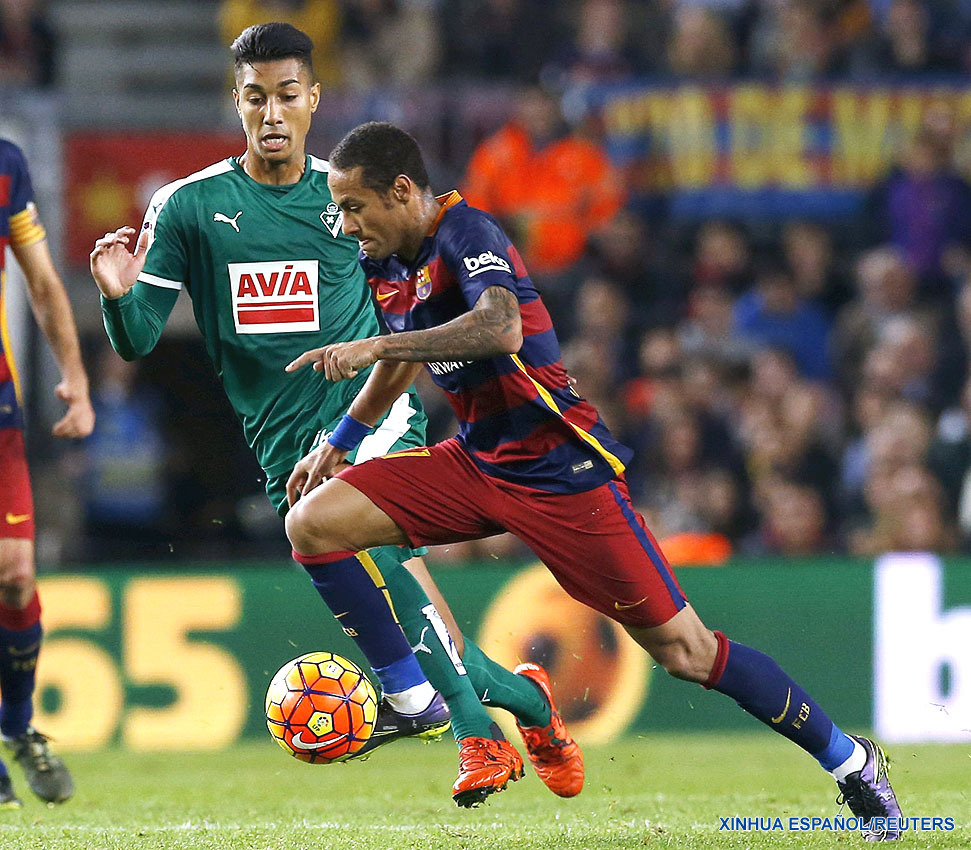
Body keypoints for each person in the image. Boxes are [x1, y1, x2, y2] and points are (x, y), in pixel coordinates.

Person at [284, 121, 905, 841]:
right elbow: (404, 352)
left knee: (686, 652)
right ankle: (411, 691)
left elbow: (500, 326)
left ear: (400, 191)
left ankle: (850, 761)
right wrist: (344, 439)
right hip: (476, 459)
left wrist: (373, 344)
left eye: (355, 206)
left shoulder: (466, 231)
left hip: (559, 472)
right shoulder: (386, 258)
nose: (347, 222)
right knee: (313, 524)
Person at [89, 23, 580, 808]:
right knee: (424, 636)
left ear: (313, 98)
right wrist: (118, 295)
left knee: (385, 587)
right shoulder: (189, 207)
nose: (273, 113)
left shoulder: (346, 196)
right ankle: (527, 707)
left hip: (369, 417)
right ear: (238, 103)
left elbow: (413, 304)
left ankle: (471, 734)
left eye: (288, 94)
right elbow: (141, 336)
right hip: (281, 445)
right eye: (256, 98)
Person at [0, 139, 93, 806]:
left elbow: (40, 278)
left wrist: (76, 379)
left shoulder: (6, 163)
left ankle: (18, 728)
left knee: (15, 574)